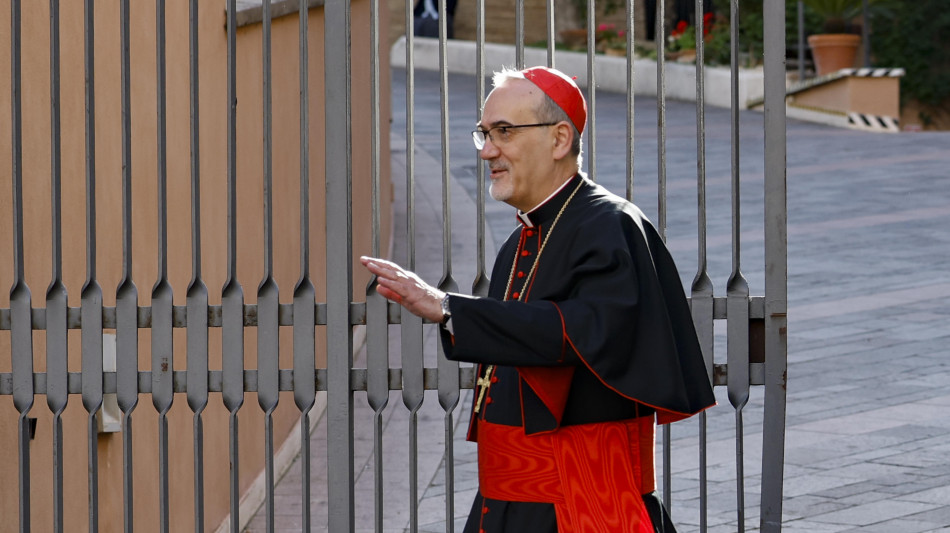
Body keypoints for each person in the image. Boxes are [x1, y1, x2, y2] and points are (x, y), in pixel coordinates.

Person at [361, 66, 715, 533]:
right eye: (484, 133)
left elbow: (586, 330)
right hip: (509, 505)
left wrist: (448, 308)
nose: (487, 150)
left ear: (559, 138)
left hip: (584, 507)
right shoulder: (521, 241)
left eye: (504, 132)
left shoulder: (611, 226)